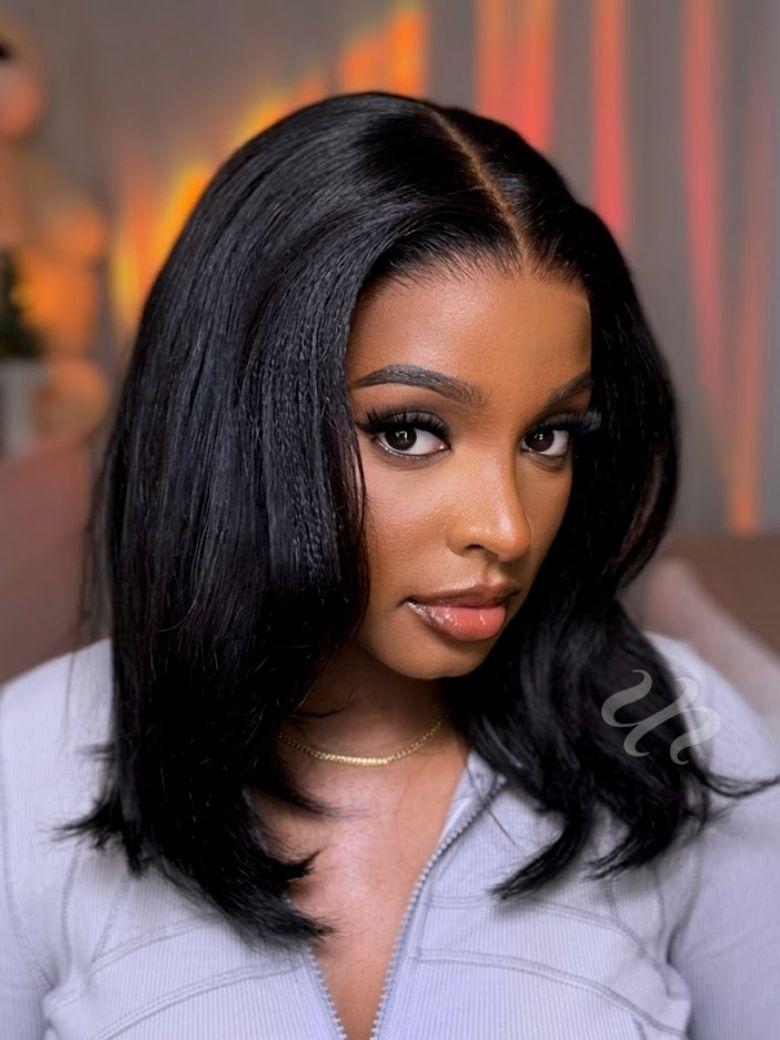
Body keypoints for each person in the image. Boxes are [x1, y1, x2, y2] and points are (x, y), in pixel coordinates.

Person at [2, 90, 780, 1040]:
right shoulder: (30, 763)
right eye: (410, 432)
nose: (506, 527)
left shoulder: (679, 735)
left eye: (548, 436)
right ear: (237, 423)